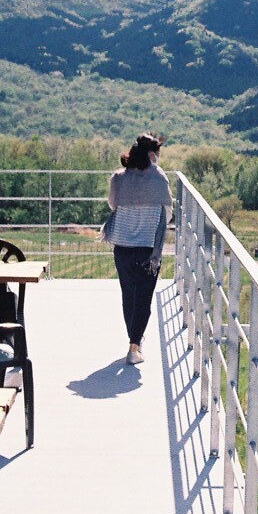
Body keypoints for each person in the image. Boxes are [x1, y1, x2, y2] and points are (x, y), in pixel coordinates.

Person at [102, 132, 173, 365]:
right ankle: (134, 346)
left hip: (122, 246)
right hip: (147, 249)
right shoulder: (159, 179)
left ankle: (134, 339)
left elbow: (113, 204)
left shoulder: (118, 178)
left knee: (128, 296)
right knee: (143, 299)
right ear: (153, 155)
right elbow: (167, 213)